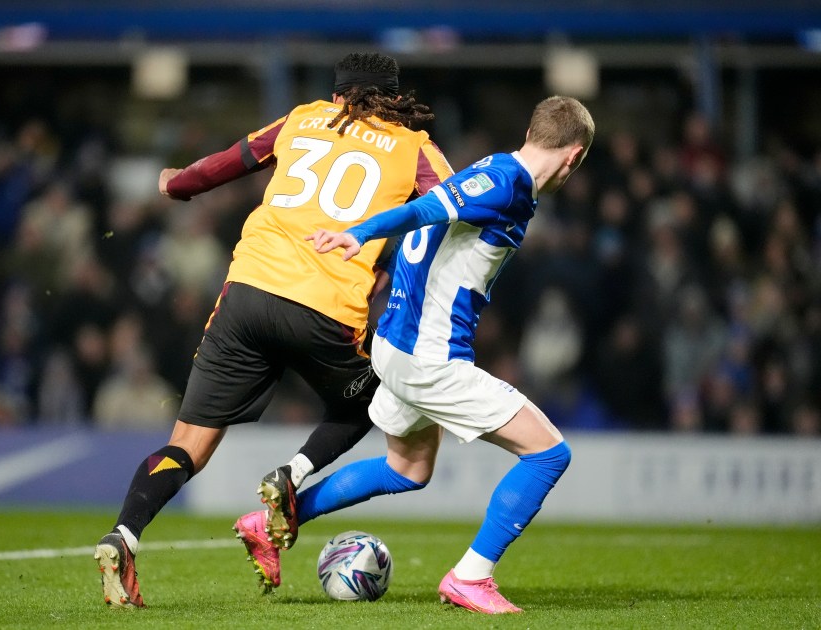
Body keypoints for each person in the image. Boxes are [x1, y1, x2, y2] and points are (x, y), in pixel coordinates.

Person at [93, 52, 454, 608]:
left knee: (186, 444)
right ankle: (292, 474)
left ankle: (124, 533)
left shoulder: (302, 118)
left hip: (246, 294)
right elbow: (457, 207)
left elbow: (226, 163)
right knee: (370, 405)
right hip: (325, 308)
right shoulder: (412, 146)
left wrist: (176, 185)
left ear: (338, 95)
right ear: (395, 100)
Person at [235, 95, 595, 614]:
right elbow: (425, 209)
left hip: (396, 346)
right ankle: (471, 577)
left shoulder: (490, 171)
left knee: (407, 468)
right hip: (431, 357)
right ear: (574, 155)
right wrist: (358, 234)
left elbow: (434, 219)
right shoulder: (506, 182)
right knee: (548, 453)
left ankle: (272, 522)